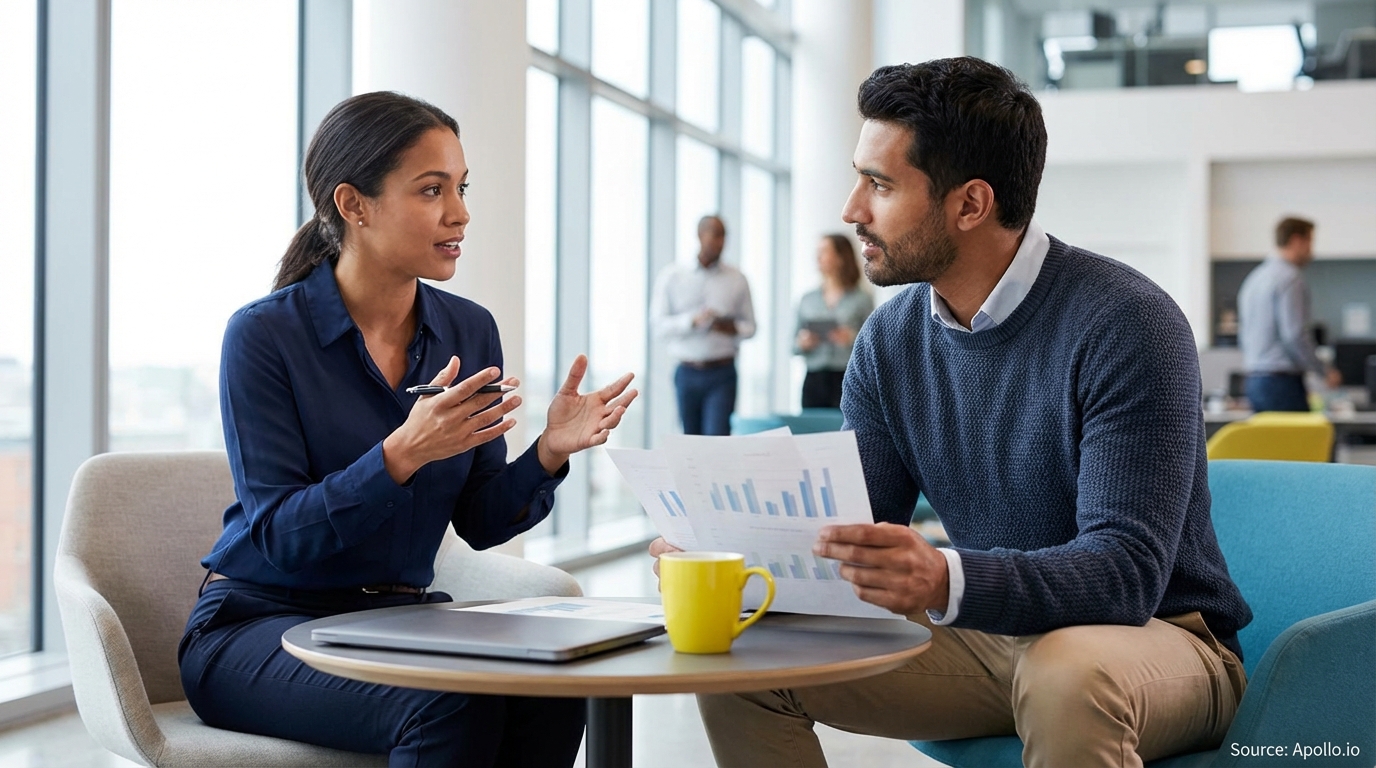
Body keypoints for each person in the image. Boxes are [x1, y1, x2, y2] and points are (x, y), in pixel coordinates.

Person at [650, 58, 1251, 768]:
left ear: (970, 205)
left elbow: (1124, 575)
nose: (851, 209)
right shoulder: (891, 338)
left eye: (880, 184)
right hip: (993, 635)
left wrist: (944, 578)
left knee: (1068, 672)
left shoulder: (1128, 323)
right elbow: (856, 530)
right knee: (745, 658)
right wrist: (729, 552)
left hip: (1162, 639)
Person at [179, 91, 637, 767]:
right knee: (445, 702)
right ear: (353, 205)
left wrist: (546, 453)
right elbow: (279, 535)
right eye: (431, 190)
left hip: (394, 621)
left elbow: (480, 519)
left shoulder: (468, 328)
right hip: (259, 626)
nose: (460, 213)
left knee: (550, 686)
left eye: (461, 187)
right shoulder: (264, 336)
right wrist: (399, 455)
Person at [650, 215, 756, 435]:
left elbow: (751, 327)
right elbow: (658, 325)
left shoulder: (737, 278)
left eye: (723, 236)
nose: (719, 242)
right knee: (690, 440)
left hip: (722, 372)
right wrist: (691, 321)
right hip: (687, 371)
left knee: (717, 438)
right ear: (700, 235)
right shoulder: (673, 276)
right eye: (715, 234)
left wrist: (731, 328)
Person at [1237, 216, 1342, 412]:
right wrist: (1324, 372)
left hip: (1254, 381)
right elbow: (1294, 334)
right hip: (1281, 384)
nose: (1312, 251)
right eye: (1310, 242)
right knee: (1299, 442)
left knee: (1267, 443)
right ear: (1296, 240)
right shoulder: (1291, 278)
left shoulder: (1255, 278)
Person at [794, 234, 875, 408]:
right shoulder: (807, 299)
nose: (817, 257)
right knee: (812, 431)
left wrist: (851, 338)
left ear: (840, 257)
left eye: (823, 251)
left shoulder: (862, 299)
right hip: (813, 379)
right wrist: (804, 342)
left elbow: (873, 344)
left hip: (847, 377)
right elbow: (792, 345)